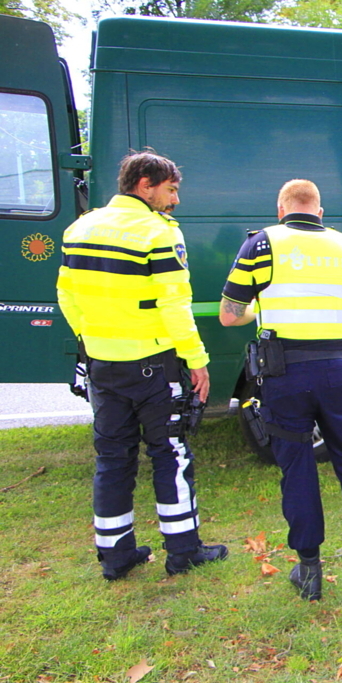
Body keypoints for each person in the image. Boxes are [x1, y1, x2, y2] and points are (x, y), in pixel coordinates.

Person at [219, 179, 342, 601]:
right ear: (320, 211)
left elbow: (229, 315)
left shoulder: (260, 245)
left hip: (283, 377)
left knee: (298, 469)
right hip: (338, 374)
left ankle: (309, 571)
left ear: (280, 210)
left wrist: (264, 305)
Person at [56, 150, 228, 580]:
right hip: (152, 363)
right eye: (171, 190)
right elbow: (174, 304)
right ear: (145, 184)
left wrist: (91, 337)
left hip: (101, 363)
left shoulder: (80, 228)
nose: (176, 200)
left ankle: (115, 556)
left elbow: (67, 296)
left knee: (112, 458)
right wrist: (197, 361)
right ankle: (183, 551)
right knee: (169, 453)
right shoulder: (159, 233)